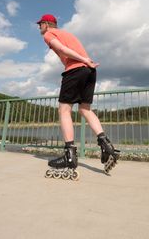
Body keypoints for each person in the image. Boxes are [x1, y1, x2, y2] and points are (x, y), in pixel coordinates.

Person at [37, 14, 119, 178]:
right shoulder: (68, 34)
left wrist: (84, 60)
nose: (39, 28)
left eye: (40, 25)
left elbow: (61, 49)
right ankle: (106, 145)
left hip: (76, 69)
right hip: (89, 72)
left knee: (64, 110)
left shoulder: (49, 34)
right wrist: (87, 63)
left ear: (46, 24)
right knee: (85, 110)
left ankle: (69, 156)